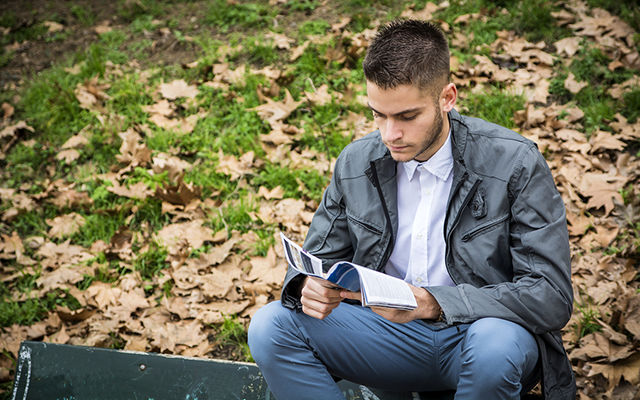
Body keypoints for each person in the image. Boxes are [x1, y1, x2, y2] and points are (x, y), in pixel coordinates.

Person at [248, 19, 575, 400]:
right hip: (385, 338)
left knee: (494, 346)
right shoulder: (356, 163)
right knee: (271, 325)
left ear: (447, 98)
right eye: (378, 115)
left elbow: (550, 295)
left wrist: (434, 303)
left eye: (406, 116)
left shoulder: (515, 163)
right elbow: (315, 260)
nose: (390, 134)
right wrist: (307, 286)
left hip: (478, 336)